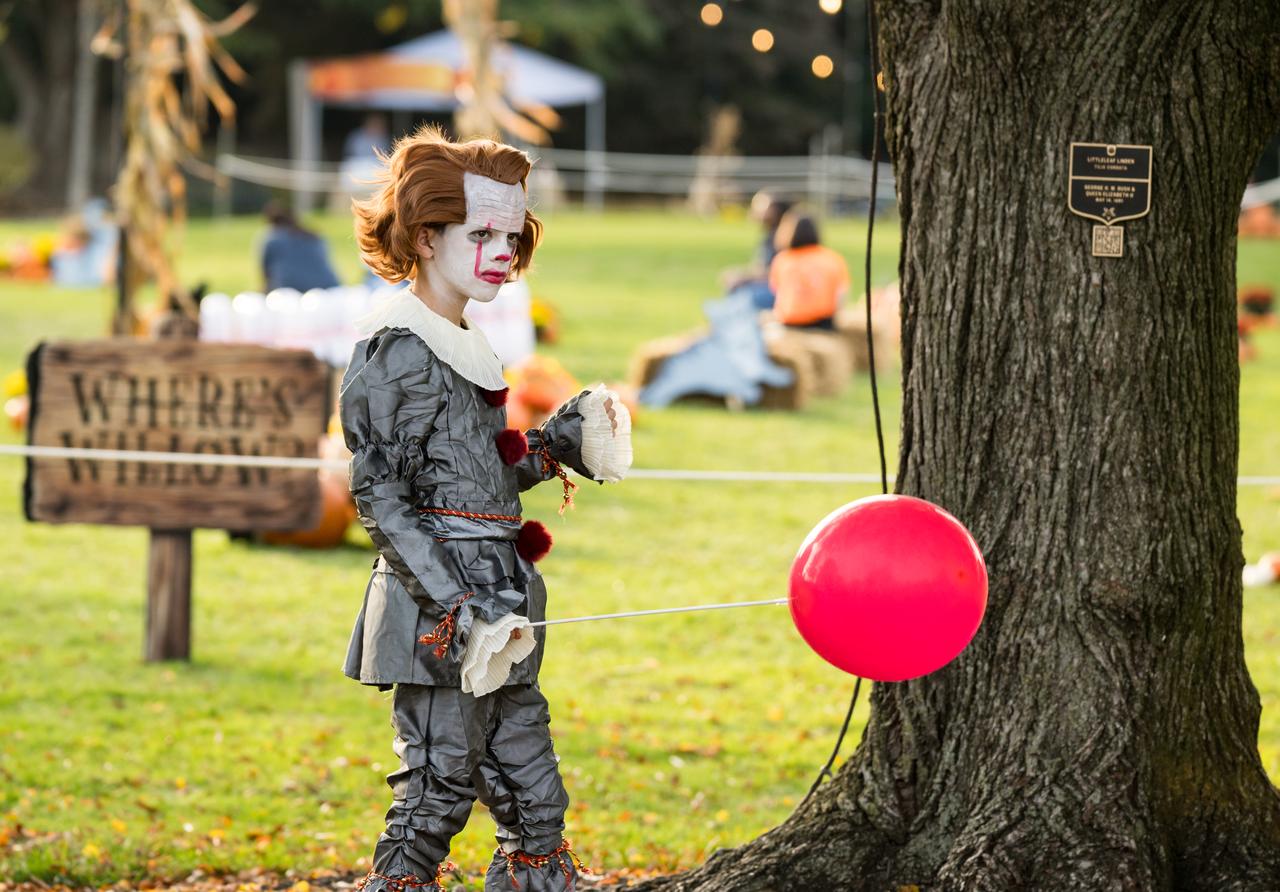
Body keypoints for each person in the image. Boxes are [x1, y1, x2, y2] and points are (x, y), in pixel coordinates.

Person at [340, 125, 632, 892]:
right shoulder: (396, 349)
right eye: (483, 232)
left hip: (503, 606)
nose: (504, 250)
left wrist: (559, 444)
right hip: (444, 615)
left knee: (536, 798)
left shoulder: (461, 342)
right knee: (435, 791)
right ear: (427, 237)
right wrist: (460, 608)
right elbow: (383, 498)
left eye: (513, 232)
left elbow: (475, 483)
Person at [768, 211, 850, 331]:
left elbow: (778, 293)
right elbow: (841, 296)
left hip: (790, 321)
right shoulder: (833, 258)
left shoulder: (782, 259)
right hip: (823, 322)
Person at [259, 201, 341, 292]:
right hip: (331, 287)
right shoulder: (314, 235)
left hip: (294, 291)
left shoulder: (272, 237)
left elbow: (266, 275)